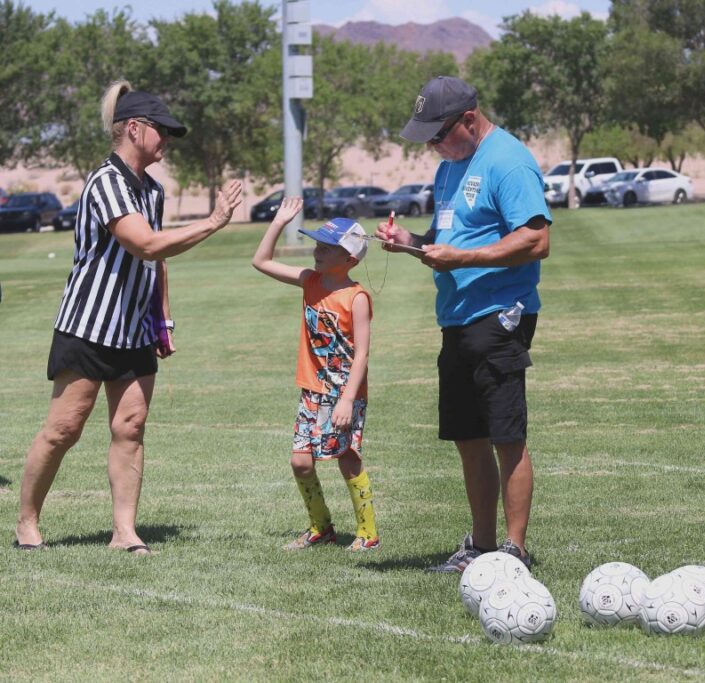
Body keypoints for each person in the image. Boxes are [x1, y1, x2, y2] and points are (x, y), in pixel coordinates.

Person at [14, 81, 243, 554]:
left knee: (131, 427)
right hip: (89, 326)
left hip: (135, 330)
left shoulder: (152, 191)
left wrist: (163, 320)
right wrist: (214, 222)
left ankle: (124, 533)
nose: (168, 142)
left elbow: (156, 263)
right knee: (64, 429)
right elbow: (145, 243)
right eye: (163, 132)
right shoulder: (106, 182)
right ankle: (26, 523)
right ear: (135, 129)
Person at [375, 76, 551, 573]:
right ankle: (480, 544)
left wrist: (464, 257)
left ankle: (514, 552)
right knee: (468, 437)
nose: (431, 146)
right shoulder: (449, 167)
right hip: (455, 317)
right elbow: (444, 238)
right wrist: (408, 240)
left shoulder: (509, 160)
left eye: (437, 135)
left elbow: (536, 240)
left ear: (469, 120)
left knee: (505, 435)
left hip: (499, 314)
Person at [252, 199, 379, 551]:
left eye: (327, 247)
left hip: (344, 393)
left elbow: (363, 353)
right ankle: (321, 527)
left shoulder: (357, 298)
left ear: (349, 259)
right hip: (312, 389)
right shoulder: (310, 280)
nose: (317, 251)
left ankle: (368, 533)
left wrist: (348, 400)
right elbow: (260, 261)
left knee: (347, 458)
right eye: (318, 244)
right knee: (300, 462)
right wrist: (278, 222)